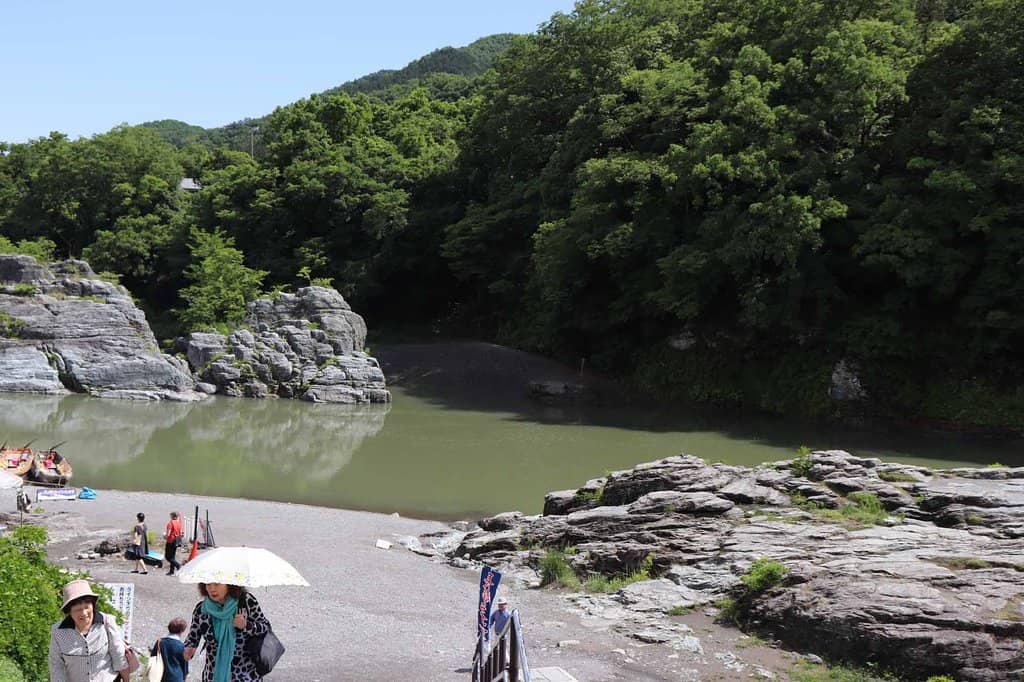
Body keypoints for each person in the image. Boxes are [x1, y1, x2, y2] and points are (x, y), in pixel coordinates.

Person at [184, 582, 271, 682]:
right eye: (208, 584)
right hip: (213, 675)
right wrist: (189, 647)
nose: (212, 589)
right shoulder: (202, 609)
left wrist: (247, 625)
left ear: (229, 585)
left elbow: (266, 628)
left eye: (217, 584)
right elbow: (193, 636)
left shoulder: (246, 601)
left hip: (245, 675)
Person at [48, 579, 130, 682]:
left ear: (93, 605)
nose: (84, 613)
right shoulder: (58, 632)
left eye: (87, 607)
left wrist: (127, 680)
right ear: (69, 611)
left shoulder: (107, 622)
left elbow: (118, 656)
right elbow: (56, 666)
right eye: (78, 610)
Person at [151, 617, 189, 682]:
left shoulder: (159, 642)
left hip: (160, 677)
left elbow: (153, 659)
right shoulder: (182, 646)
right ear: (181, 631)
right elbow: (185, 666)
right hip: (176, 678)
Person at [164, 511, 183, 576]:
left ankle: (178, 566)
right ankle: (171, 571)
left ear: (172, 516)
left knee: (168, 557)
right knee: (172, 556)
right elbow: (180, 533)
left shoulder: (170, 523)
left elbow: (168, 534)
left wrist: (164, 536)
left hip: (170, 541)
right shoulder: (179, 523)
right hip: (176, 540)